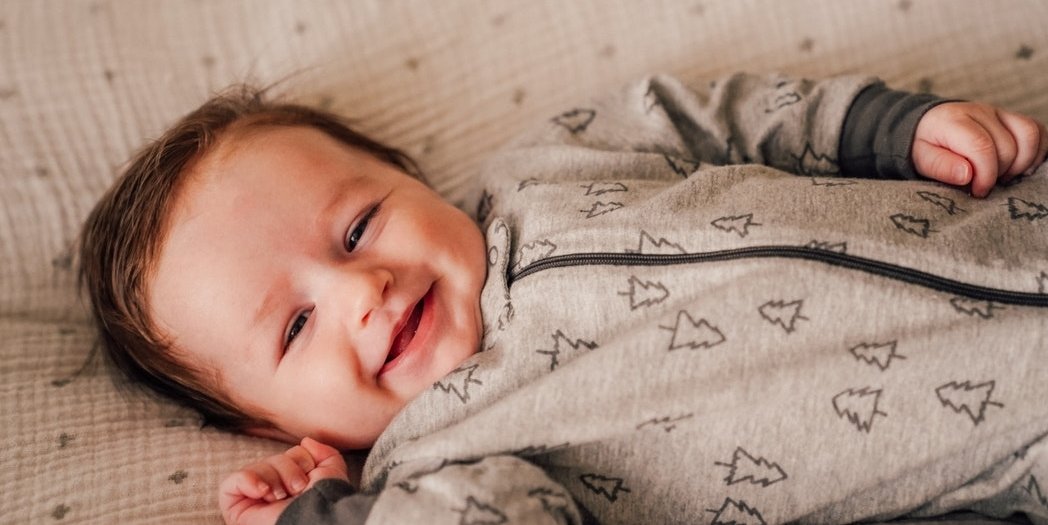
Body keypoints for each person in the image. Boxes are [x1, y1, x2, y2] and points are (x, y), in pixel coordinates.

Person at [78, 73, 1048, 525]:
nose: (360, 291)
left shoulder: (544, 164)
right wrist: (333, 519)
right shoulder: (443, 457)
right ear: (265, 424)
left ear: (408, 175)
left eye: (359, 225)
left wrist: (883, 126)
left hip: (1002, 210)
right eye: (295, 326)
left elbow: (712, 118)